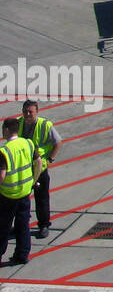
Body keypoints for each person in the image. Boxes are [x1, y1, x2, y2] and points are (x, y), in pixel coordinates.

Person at [0, 117, 41, 267]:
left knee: (3, 227)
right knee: (23, 224)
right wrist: (33, 180)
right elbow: (39, 162)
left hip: (8, 194)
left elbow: (2, 175)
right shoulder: (28, 143)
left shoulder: (4, 151)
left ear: (6, 130)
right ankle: (22, 255)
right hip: (25, 192)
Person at [19, 100, 60, 240]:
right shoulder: (19, 123)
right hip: (23, 168)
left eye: (30, 112)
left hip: (39, 169)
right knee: (21, 198)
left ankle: (44, 225)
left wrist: (50, 160)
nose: (27, 114)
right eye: (25, 111)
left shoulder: (44, 125)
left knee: (41, 198)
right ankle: (21, 225)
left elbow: (58, 142)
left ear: (37, 111)